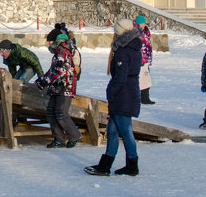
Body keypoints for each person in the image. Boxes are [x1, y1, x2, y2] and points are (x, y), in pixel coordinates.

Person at [85, 19, 143, 176]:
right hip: (128, 93)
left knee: (125, 131)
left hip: (123, 95)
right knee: (112, 131)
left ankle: (132, 165)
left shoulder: (124, 51)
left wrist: (111, 91)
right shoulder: (133, 48)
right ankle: (105, 165)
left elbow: (121, 77)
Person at [36, 22, 82, 149]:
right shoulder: (58, 52)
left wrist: (44, 81)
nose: (48, 45)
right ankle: (59, 138)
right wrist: (42, 79)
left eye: (50, 42)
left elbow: (60, 71)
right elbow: (53, 70)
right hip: (56, 87)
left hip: (65, 86)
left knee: (61, 113)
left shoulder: (63, 52)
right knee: (51, 112)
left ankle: (74, 135)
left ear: (56, 41)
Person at [136, 14, 156, 105]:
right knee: (141, 80)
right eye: (143, 23)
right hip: (139, 60)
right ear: (139, 23)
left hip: (145, 60)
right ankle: (142, 98)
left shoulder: (145, 32)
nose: (145, 24)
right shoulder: (136, 32)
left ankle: (145, 97)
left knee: (146, 79)